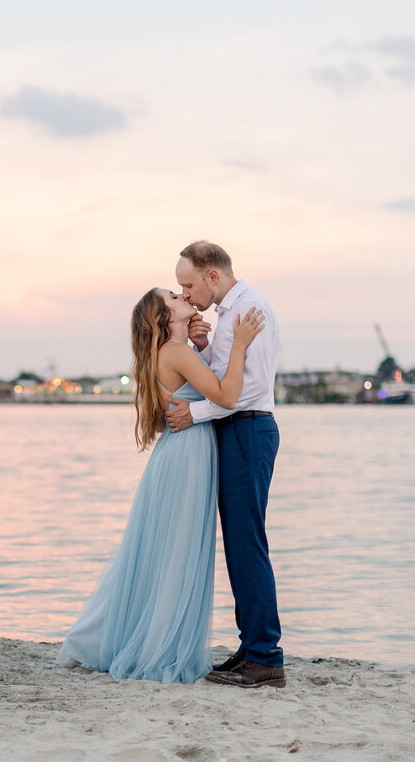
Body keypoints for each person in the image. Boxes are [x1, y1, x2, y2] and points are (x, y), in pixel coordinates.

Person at [56, 287, 265, 683]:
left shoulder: (170, 352)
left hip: (177, 454)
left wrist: (203, 343)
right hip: (187, 456)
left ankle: (99, 640)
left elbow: (209, 388)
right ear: (162, 316)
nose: (182, 294)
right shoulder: (176, 351)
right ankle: (150, 644)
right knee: (175, 552)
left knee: (154, 552)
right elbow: (228, 394)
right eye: (172, 296)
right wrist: (238, 345)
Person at [166, 240, 284, 689]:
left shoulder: (250, 310)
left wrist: (192, 415)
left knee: (247, 542)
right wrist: (200, 346)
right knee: (237, 544)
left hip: (249, 429)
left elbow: (248, 391)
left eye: (189, 284)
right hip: (235, 429)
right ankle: (251, 645)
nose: (187, 294)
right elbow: (218, 382)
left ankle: (266, 656)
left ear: (212, 275)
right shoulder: (226, 316)